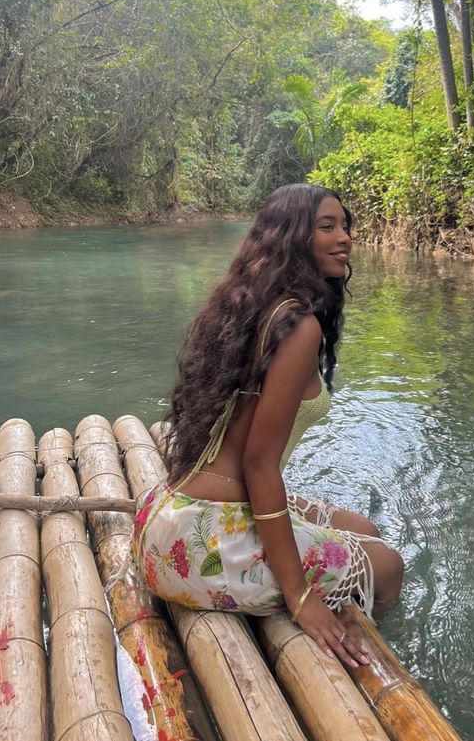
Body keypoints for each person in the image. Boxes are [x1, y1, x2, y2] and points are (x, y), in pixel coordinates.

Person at [132, 183, 404, 667]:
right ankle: (374, 656)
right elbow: (259, 464)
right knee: (387, 566)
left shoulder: (258, 306)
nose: (344, 238)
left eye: (345, 226)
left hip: (170, 518)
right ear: (292, 237)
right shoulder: (299, 326)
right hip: (202, 546)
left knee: (362, 527)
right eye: (327, 227)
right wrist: (299, 597)